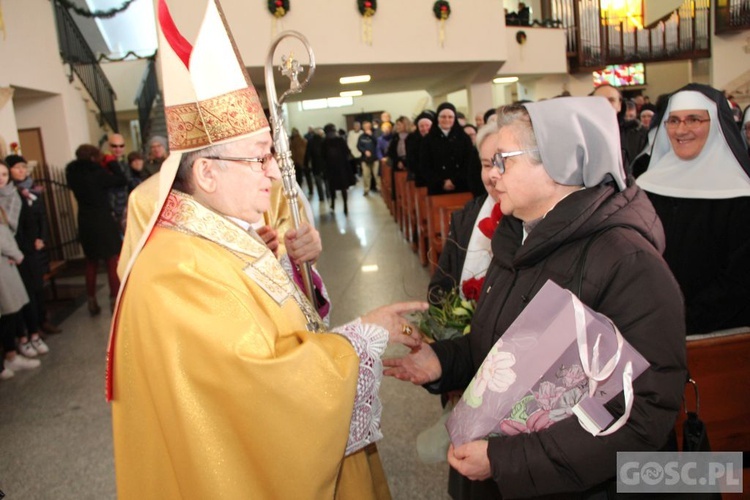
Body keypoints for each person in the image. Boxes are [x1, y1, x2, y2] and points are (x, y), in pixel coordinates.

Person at [108, 2, 426, 498]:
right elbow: (261, 392)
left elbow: (285, 320)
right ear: (207, 172)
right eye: (259, 158)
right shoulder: (176, 271)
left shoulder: (222, 236)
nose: (275, 173)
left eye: (271, 156)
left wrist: (297, 266)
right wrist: (363, 338)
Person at [385, 97, 687, 499]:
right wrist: (441, 361)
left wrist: (504, 459)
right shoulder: (518, 238)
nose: (491, 175)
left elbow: (641, 412)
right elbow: (500, 350)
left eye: (503, 160)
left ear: (558, 163)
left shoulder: (626, 261)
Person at [636, 83, 750, 334]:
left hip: (719, 333)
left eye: (694, 119)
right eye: (673, 121)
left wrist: (684, 319)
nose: (681, 130)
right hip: (652, 324)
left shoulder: (741, 196)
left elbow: (740, 280)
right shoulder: (645, 187)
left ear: (717, 126)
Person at [429, 122, 501, 302]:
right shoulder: (466, 217)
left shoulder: (538, 222)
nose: (493, 174)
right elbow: (439, 288)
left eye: (502, 163)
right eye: (486, 165)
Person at [66, 144, 126, 315]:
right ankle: (115, 299)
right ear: (93, 157)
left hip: (85, 220)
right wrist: (112, 163)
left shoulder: (72, 174)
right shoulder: (97, 173)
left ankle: (91, 299)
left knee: (91, 262)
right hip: (103, 219)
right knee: (111, 260)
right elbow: (120, 180)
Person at [5, 155, 59, 343]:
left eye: (24, 167)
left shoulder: (32, 189)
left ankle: (42, 320)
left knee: (38, 285)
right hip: (19, 248)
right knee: (26, 289)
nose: (21, 171)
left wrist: (41, 238)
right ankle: (31, 327)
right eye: (17, 168)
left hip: (35, 245)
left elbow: (42, 217)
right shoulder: (14, 194)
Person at [0, 160, 40, 377]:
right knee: (7, 311)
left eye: (4, 174)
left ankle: (20, 345)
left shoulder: (17, 197)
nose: (2, 178)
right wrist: (16, 254)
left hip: (13, 259)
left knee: (14, 307)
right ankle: (11, 355)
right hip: (8, 260)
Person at [419, 102, 473, 195]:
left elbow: (469, 162)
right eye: (443, 117)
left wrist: (454, 181)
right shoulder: (428, 140)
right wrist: (441, 182)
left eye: (450, 117)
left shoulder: (464, 138)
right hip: (437, 187)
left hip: (461, 186)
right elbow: (425, 165)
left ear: (454, 118)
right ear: (437, 118)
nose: (447, 119)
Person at [323, 123, 355, 215]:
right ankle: (340, 205)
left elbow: (323, 156)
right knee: (340, 188)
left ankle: (338, 205)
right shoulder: (333, 141)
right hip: (338, 168)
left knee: (336, 188)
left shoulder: (328, 141)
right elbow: (347, 152)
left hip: (336, 168)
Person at [358, 120, 379, 196]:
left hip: (375, 158)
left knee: (376, 174)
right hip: (365, 159)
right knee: (366, 175)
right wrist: (364, 151)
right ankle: (366, 189)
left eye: (368, 126)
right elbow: (359, 146)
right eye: (365, 127)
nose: (367, 128)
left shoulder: (375, 134)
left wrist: (371, 136)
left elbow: (377, 143)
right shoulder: (361, 136)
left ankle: (379, 188)